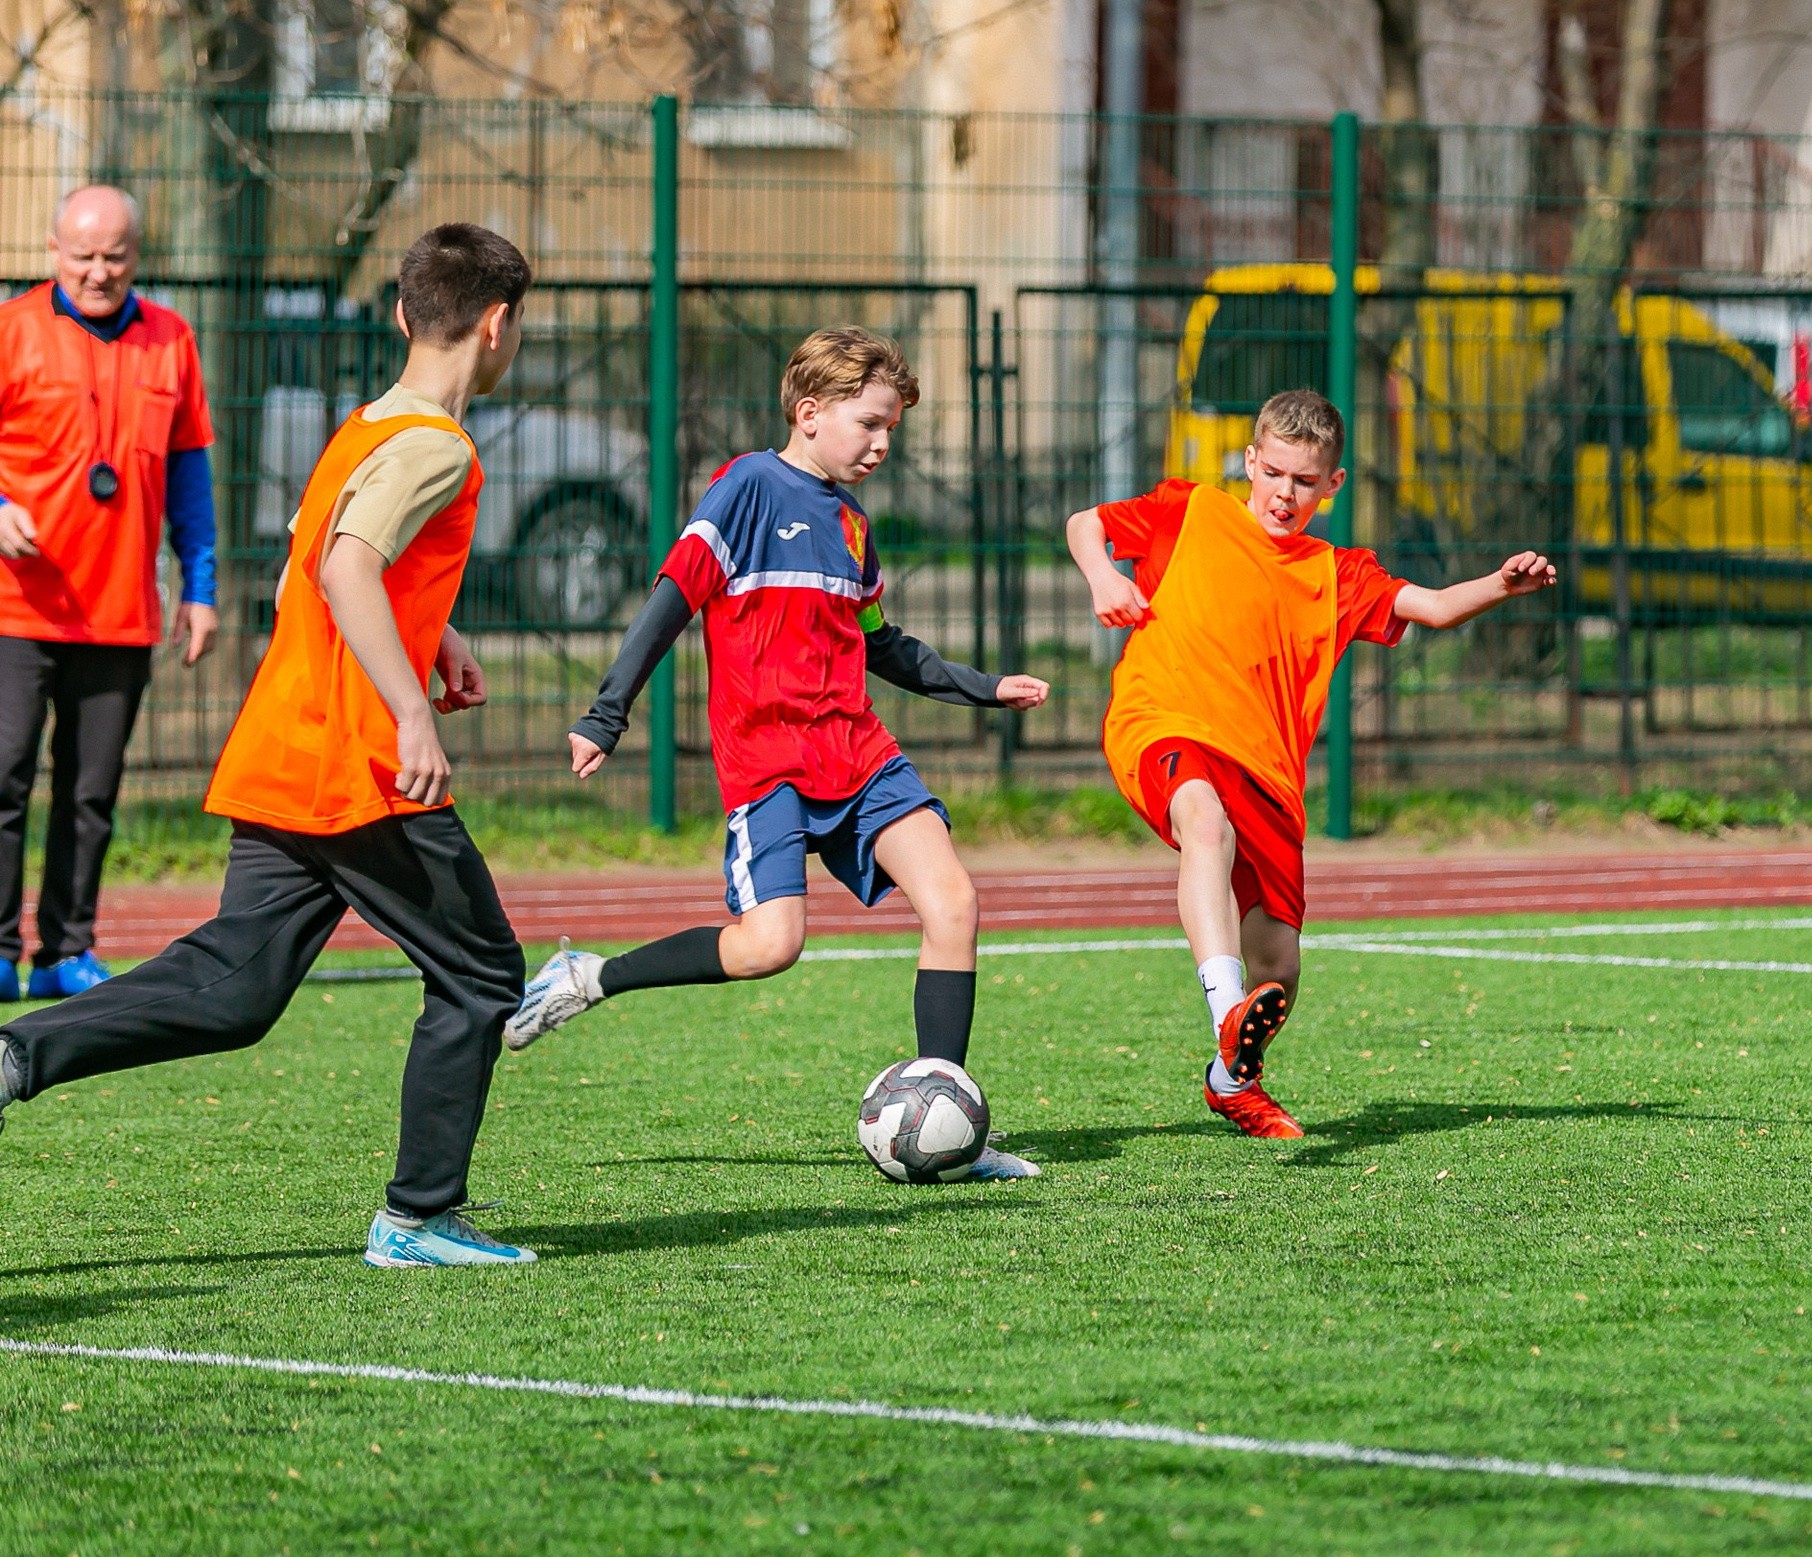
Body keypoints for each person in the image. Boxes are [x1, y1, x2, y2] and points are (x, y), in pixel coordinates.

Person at [0, 224, 538, 1268]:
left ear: (398, 315)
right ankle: (417, 1218)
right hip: (360, 771)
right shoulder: (436, 442)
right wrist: (411, 710)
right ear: (497, 324)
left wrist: (440, 638)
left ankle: (20, 1053)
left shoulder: (365, 427)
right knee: (481, 976)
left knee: (236, 991)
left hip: (284, 748)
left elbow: (305, 561)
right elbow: (343, 570)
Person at [507, 328, 1049, 1180]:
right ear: (809, 412)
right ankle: (590, 975)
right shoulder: (746, 486)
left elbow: (882, 645)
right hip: (771, 760)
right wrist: (605, 712)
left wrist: (983, 687)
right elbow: (672, 598)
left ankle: (950, 1125)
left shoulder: (855, 526)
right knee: (770, 945)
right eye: (870, 423)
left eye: (891, 431)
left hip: (859, 749)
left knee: (954, 900)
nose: (881, 443)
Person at [1065, 389, 1556, 1139]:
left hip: (1267, 771)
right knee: (1204, 822)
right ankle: (1226, 1007)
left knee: (1281, 967)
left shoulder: (1337, 573)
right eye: (1275, 474)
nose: (1284, 495)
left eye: (1304, 481)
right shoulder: (1191, 510)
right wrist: (1103, 574)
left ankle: (1231, 1077)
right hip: (1164, 719)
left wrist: (1501, 584)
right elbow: (1085, 524)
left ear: (1333, 485)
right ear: (1251, 463)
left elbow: (1430, 606)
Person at [0, 185, 221, 1001]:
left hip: (122, 609)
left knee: (91, 793)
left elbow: (191, 472)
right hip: (15, 606)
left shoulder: (172, 338)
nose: (98, 272)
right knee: (2, 777)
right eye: (83, 255)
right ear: (54, 250)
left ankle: (67, 949)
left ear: (138, 255)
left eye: (115, 256)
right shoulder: (10, 329)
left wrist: (200, 588)